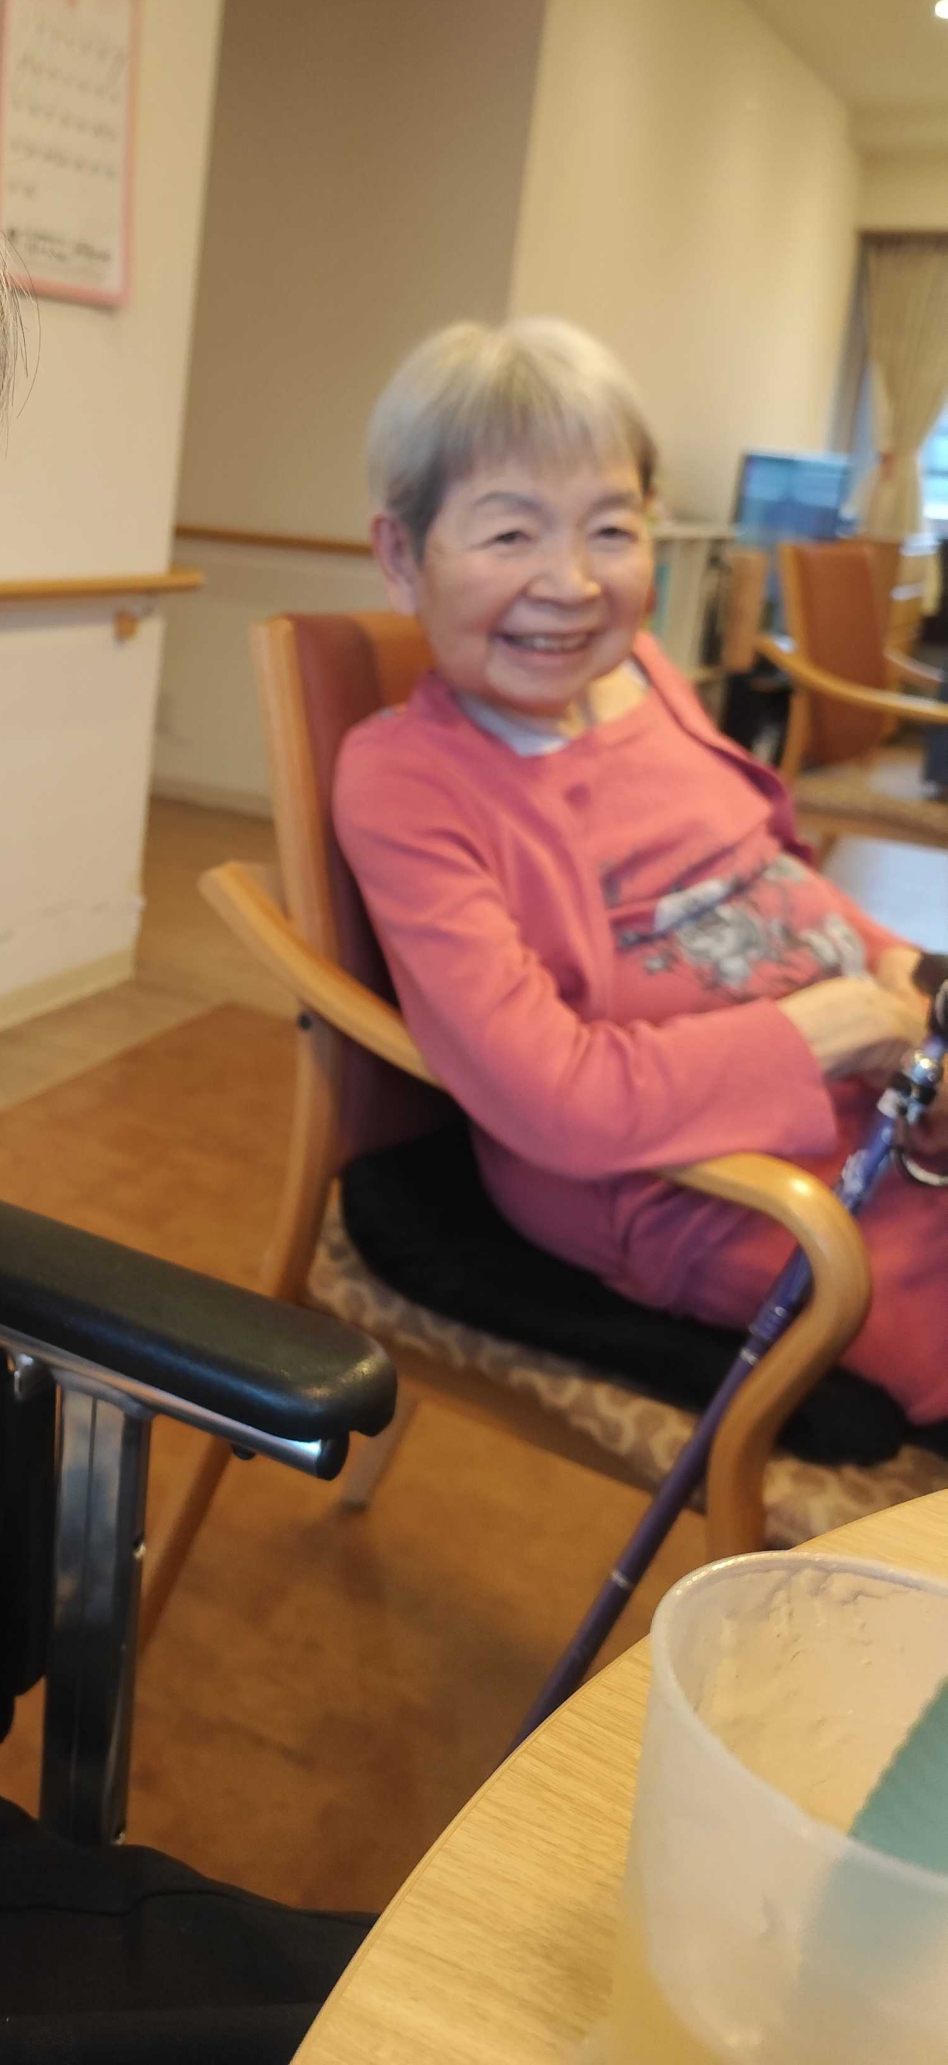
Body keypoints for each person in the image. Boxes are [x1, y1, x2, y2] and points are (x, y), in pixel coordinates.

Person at [336, 317, 948, 1428]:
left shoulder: (644, 675)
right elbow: (557, 1101)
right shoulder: (405, 779)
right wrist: (838, 1027)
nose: (571, 584)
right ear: (401, 557)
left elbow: (769, 873)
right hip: (690, 1186)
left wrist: (903, 975)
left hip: (871, 1107)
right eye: (510, 532)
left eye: (610, 529)